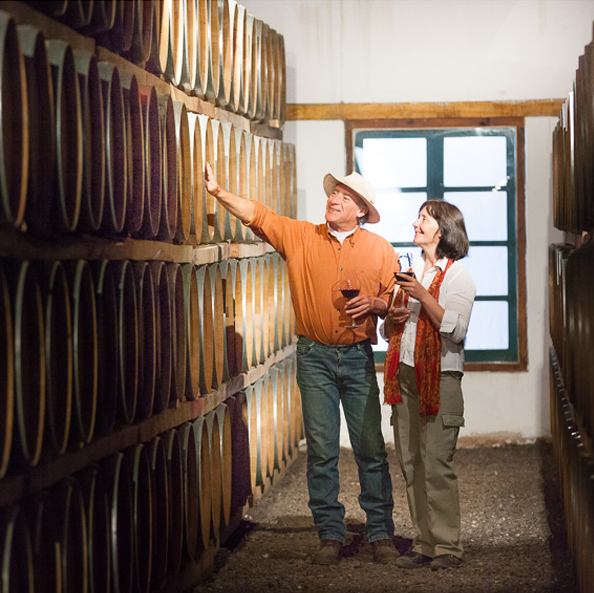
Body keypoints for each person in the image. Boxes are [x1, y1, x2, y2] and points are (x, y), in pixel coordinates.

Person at [203, 162, 399, 565]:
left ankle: (380, 533)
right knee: (323, 449)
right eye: (334, 193)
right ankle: (330, 534)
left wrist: (377, 304)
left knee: (370, 449)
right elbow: (259, 215)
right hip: (314, 357)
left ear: (361, 210)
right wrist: (220, 193)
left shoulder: (380, 249)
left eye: (345, 196)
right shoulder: (301, 236)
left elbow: (398, 304)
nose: (334, 198)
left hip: (358, 356)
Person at [382, 200, 475, 570]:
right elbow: (386, 332)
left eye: (424, 218)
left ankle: (448, 546)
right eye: (418, 217)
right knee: (411, 462)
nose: (415, 223)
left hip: (440, 378)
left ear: (443, 229)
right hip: (404, 376)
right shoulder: (408, 270)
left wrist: (422, 295)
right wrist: (391, 317)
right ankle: (424, 543)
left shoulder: (457, 275)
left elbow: (456, 329)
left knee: (436, 462)